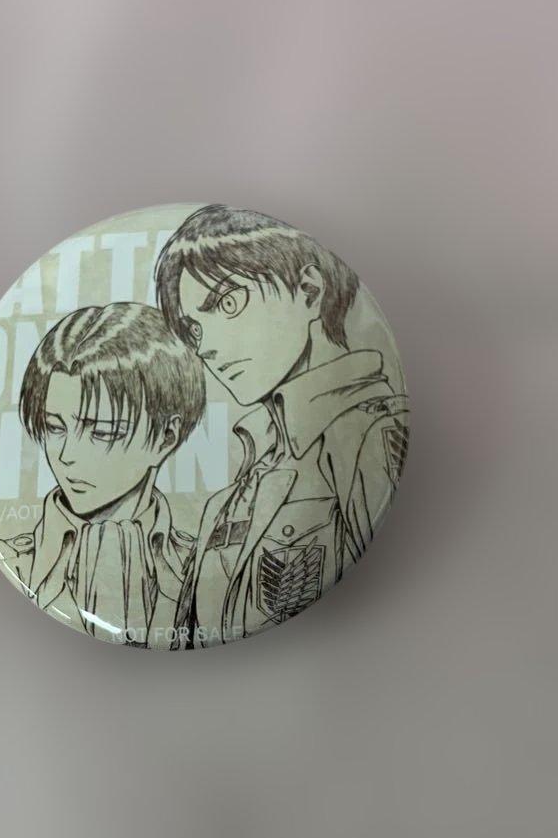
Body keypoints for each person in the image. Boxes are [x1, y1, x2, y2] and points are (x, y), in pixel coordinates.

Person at [154, 205, 410, 646]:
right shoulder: (240, 483)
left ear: (309, 291)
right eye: (194, 331)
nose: (206, 347)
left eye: (228, 302)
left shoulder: (370, 436)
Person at [0, 302, 205, 646]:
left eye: (102, 432)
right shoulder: (5, 563)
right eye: (54, 427)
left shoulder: (212, 569)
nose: (67, 456)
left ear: (166, 438)